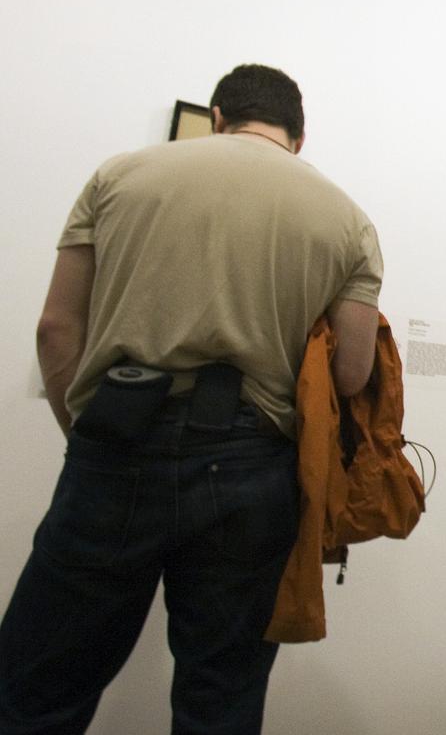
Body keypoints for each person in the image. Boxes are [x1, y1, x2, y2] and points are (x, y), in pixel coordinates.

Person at [0, 64, 383, 734]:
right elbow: (352, 374)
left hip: (119, 439)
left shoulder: (119, 176)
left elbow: (55, 327)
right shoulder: (348, 220)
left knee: (37, 691)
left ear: (216, 115)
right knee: (220, 700)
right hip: (252, 465)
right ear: (298, 136)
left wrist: (87, 436)